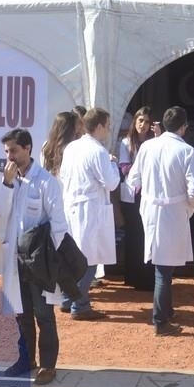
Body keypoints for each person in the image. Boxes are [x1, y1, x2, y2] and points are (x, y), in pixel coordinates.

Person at [0, 128, 69, 386]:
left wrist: (51, 260)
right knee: (21, 312)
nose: (10, 157)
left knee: (43, 314)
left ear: (27, 148)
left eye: (13, 151)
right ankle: (26, 359)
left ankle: (48, 365)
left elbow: (59, 224)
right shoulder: (9, 179)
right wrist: (6, 184)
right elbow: (0, 214)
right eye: (6, 152)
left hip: (39, 260)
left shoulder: (46, 182)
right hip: (15, 258)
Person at [125, 106, 194, 336]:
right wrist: (188, 207)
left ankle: (166, 310)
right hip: (173, 210)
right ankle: (160, 319)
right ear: (184, 127)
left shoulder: (148, 146)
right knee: (163, 268)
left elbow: (133, 178)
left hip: (149, 208)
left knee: (163, 262)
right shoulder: (187, 151)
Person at [58, 107, 119, 320]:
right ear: (99, 126)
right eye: (108, 126)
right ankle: (80, 304)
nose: (109, 131)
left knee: (75, 258)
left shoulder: (72, 147)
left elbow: (63, 176)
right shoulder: (99, 152)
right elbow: (111, 183)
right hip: (90, 209)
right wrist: (114, 164)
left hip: (72, 206)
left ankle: (67, 299)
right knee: (89, 261)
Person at [118, 106, 157, 290]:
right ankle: (133, 275)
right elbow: (124, 169)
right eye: (140, 121)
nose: (143, 125)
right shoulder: (126, 143)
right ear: (135, 122)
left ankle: (147, 276)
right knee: (134, 236)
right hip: (132, 196)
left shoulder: (155, 142)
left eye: (147, 121)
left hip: (149, 194)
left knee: (147, 235)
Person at [40, 110, 81, 177]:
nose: (78, 130)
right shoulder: (71, 148)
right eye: (76, 127)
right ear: (69, 129)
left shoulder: (46, 145)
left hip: (50, 184)